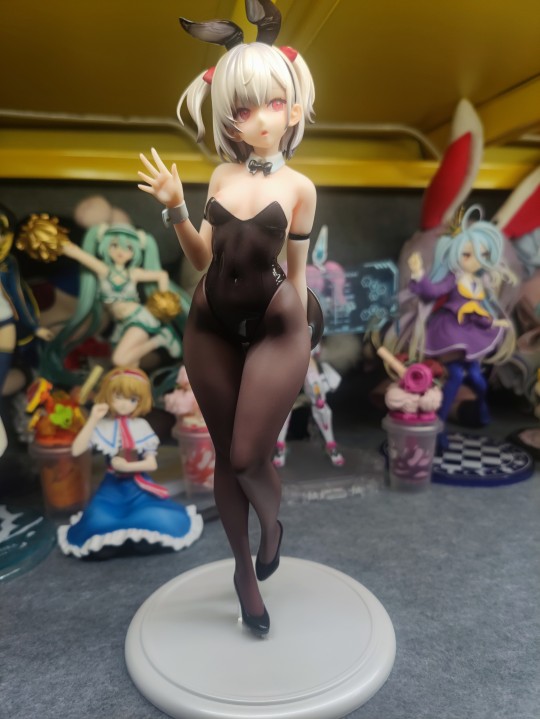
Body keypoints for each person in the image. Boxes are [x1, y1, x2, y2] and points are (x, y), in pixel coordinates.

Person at [138, 0, 317, 636]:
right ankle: (244, 573)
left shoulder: (300, 188)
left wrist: (305, 338)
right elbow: (200, 260)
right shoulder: (219, 174)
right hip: (209, 321)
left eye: (273, 102)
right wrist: (177, 208)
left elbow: (297, 273)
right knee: (224, 454)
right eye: (242, 109)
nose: (258, 118)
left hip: (276, 323)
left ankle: (272, 527)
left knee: (247, 456)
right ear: (228, 117)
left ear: (293, 108)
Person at [57, 366, 203, 558]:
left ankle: (143, 540)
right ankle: (110, 543)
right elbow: (76, 450)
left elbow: (151, 464)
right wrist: (92, 419)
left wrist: (129, 467)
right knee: (97, 519)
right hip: (110, 490)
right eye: (118, 396)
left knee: (154, 516)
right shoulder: (103, 425)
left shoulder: (141, 426)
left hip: (138, 489)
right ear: (108, 395)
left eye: (132, 399)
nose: (125, 404)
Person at [405, 205, 516, 445]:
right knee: (454, 376)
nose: (474, 260)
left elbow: (480, 309)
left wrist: (494, 320)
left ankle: (481, 405)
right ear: (455, 254)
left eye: (481, 254)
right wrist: (418, 274)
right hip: (451, 332)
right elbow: (432, 291)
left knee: (477, 379)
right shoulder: (454, 278)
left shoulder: (480, 281)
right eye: (467, 255)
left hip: (471, 332)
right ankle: (439, 426)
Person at [39, 223, 190, 386]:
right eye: (114, 245)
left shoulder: (133, 273)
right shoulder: (105, 270)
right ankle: (132, 394)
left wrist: (163, 300)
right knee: (129, 367)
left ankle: (161, 339)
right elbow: (79, 255)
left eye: (128, 248)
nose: (121, 251)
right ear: (105, 246)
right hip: (122, 324)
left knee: (119, 359)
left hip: (139, 319)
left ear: (135, 252)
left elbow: (161, 275)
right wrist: (56, 242)